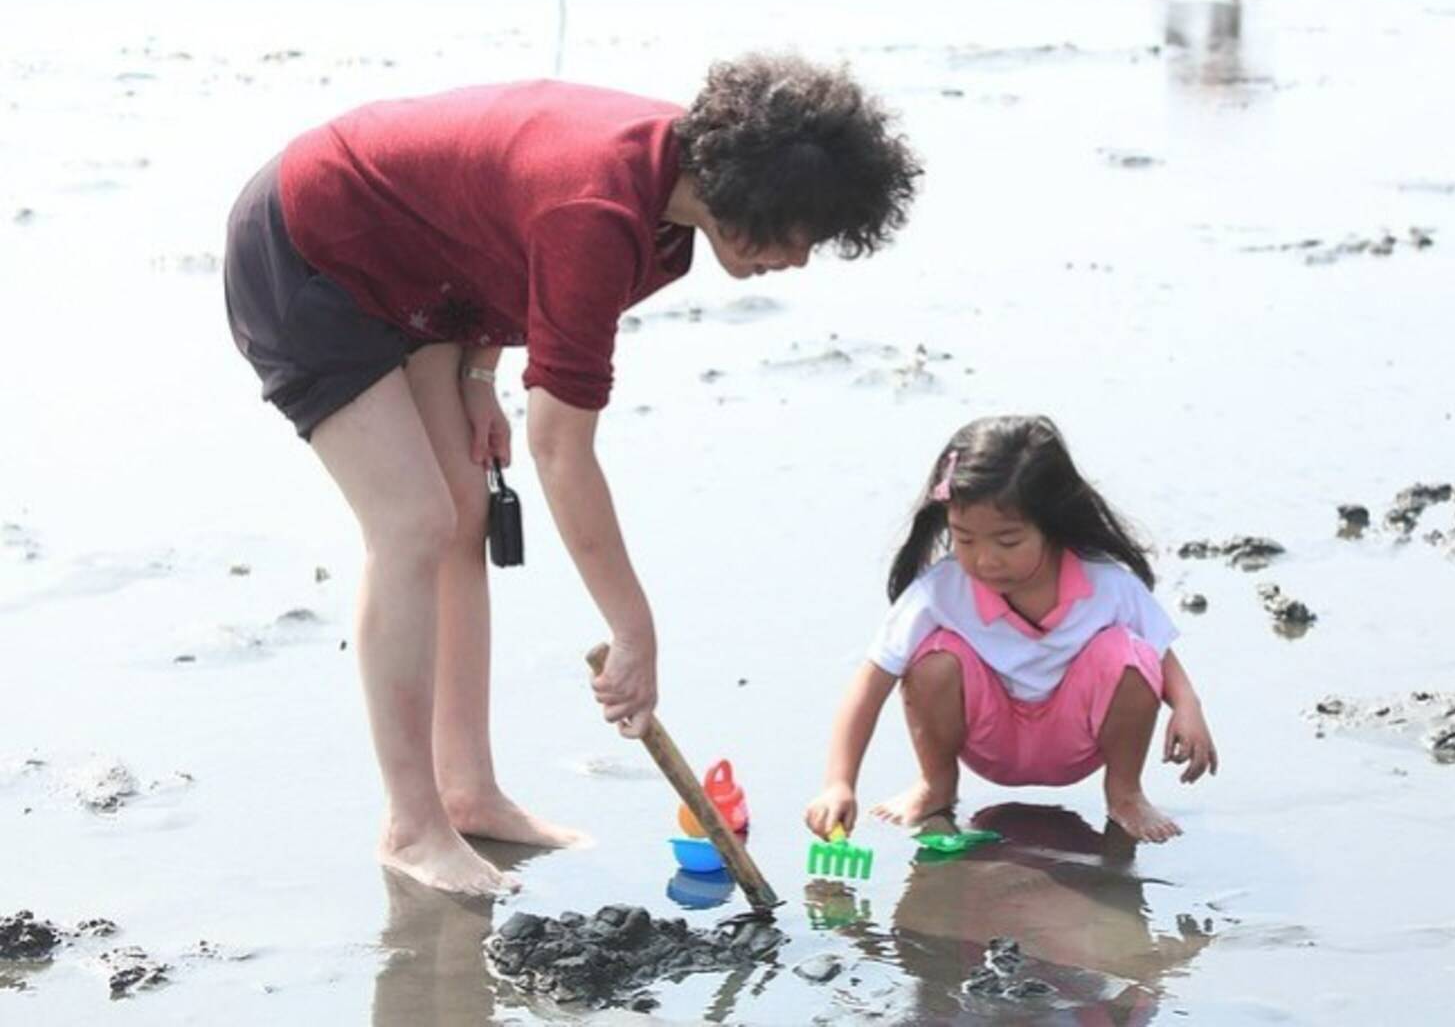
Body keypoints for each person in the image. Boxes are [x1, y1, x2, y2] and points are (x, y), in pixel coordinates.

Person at [223, 56, 921, 894]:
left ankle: (466, 792)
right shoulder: (600, 208)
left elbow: (490, 227)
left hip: (419, 265)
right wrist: (633, 630)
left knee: (464, 515)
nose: (801, 259)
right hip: (313, 249)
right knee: (411, 521)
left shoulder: (676, 180)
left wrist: (478, 376)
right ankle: (412, 827)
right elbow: (561, 447)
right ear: (748, 204)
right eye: (799, 233)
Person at [804, 416, 1218, 845]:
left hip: (1076, 737)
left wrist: (1188, 708)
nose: (985, 561)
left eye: (1007, 542)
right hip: (990, 739)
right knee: (934, 657)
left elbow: (1160, 654)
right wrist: (839, 782)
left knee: (1128, 652)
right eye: (964, 540)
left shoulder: (1106, 583)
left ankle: (1125, 794)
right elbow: (869, 685)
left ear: (1052, 526)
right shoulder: (940, 592)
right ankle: (936, 784)